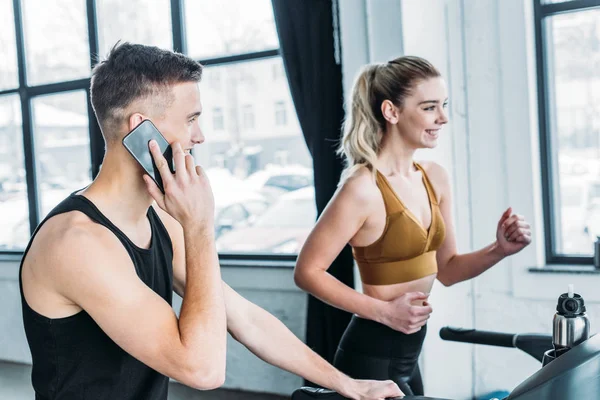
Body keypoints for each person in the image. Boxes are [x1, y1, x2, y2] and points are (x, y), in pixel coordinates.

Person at [19, 42, 403, 400]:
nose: (200, 137)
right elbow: (202, 370)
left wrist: (349, 384)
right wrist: (199, 227)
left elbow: (245, 319)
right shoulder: (77, 243)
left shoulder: (158, 221)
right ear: (140, 129)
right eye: (191, 120)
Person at [294, 56, 532, 396]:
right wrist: (384, 312)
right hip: (370, 354)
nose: (443, 117)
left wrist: (499, 250)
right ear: (392, 112)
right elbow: (306, 271)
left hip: (406, 354)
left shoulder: (434, 178)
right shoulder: (362, 189)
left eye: (443, 105)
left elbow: (447, 270)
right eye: (429, 107)